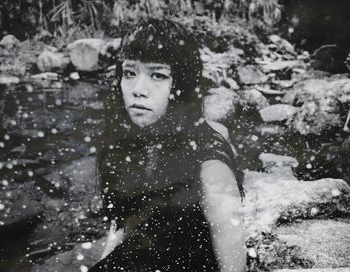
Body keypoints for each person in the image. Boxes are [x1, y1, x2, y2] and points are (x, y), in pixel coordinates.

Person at [90, 19, 246, 272]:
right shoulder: (130, 143)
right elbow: (120, 225)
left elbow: (232, 257)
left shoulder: (209, 166)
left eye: (158, 75)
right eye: (130, 73)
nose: (138, 89)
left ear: (181, 86)